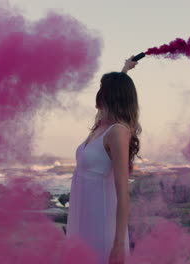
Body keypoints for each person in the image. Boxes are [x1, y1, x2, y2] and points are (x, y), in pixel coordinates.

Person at [66, 56, 140, 264]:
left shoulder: (117, 133)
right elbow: (117, 89)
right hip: (83, 219)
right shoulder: (101, 125)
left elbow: (123, 193)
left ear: (111, 96)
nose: (99, 93)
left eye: (103, 88)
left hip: (102, 224)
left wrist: (117, 245)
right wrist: (124, 69)